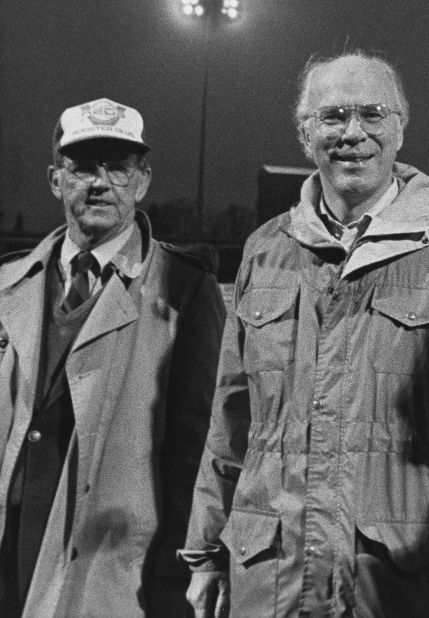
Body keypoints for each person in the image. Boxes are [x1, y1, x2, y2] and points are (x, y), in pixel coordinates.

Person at [181, 51, 429, 617]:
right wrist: (205, 552)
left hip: (401, 586)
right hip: (269, 580)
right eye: (332, 117)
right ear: (305, 134)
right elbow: (230, 422)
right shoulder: (265, 250)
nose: (353, 133)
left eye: (372, 114)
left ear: (400, 128)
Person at [0, 98, 225, 616]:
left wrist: (175, 580)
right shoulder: (9, 282)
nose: (99, 183)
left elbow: (195, 455)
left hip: (111, 572)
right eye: (81, 167)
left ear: (142, 181)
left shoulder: (186, 289)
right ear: (56, 180)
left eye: (117, 167)